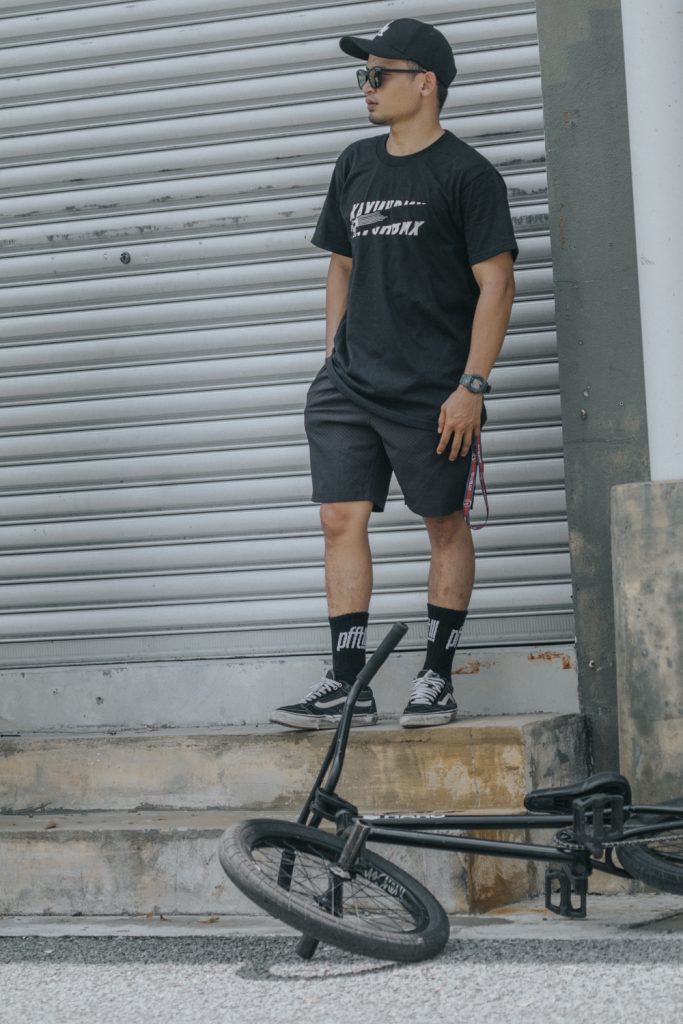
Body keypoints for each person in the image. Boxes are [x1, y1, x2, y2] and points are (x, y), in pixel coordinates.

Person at [271, 18, 517, 731]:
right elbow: (340, 265)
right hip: (350, 383)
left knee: (443, 521)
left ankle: (436, 676)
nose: (367, 87)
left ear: (425, 83)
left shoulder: (468, 174)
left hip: (433, 390)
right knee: (338, 519)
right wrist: (332, 356)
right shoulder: (355, 163)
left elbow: (497, 284)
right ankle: (348, 682)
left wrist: (471, 386)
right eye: (364, 75)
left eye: (378, 75)